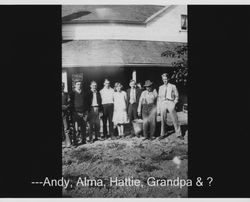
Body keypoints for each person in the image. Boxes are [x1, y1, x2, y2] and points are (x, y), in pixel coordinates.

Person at [157, 73, 182, 139]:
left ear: (168, 79)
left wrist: (174, 103)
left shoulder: (173, 86)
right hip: (163, 102)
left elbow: (177, 96)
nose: (164, 81)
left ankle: (178, 134)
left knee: (175, 118)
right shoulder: (160, 87)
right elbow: (159, 98)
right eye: (163, 79)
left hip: (170, 102)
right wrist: (159, 108)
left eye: (166, 79)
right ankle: (162, 134)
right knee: (163, 119)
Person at [70, 80, 89, 146]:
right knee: (76, 129)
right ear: (75, 85)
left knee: (83, 127)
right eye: (77, 84)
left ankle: (83, 140)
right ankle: (75, 142)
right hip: (76, 113)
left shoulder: (84, 93)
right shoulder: (72, 93)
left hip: (84, 113)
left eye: (80, 84)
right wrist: (74, 112)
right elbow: (71, 104)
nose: (79, 85)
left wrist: (86, 111)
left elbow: (87, 103)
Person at [62, 82, 71, 147]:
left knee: (66, 128)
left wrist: (67, 106)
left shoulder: (66, 94)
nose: (62, 87)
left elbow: (69, 102)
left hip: (65, 113)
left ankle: (68, 143)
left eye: (63, 86)